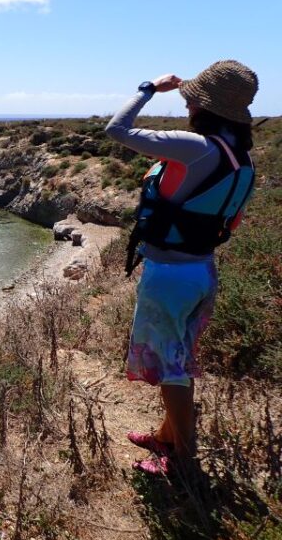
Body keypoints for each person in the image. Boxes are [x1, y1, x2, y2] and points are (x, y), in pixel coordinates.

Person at [104, 60, 259, 475]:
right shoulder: (242, 161)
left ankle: (182, 461)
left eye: (192, 98)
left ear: (200, 105)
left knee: (172, 371)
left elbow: (116, 130)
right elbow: (228, 223)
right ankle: (166, 436)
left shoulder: (196, 148)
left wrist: (148, 88)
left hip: (170, 277)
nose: (187, 103)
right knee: (180, 358)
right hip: (202, 273)